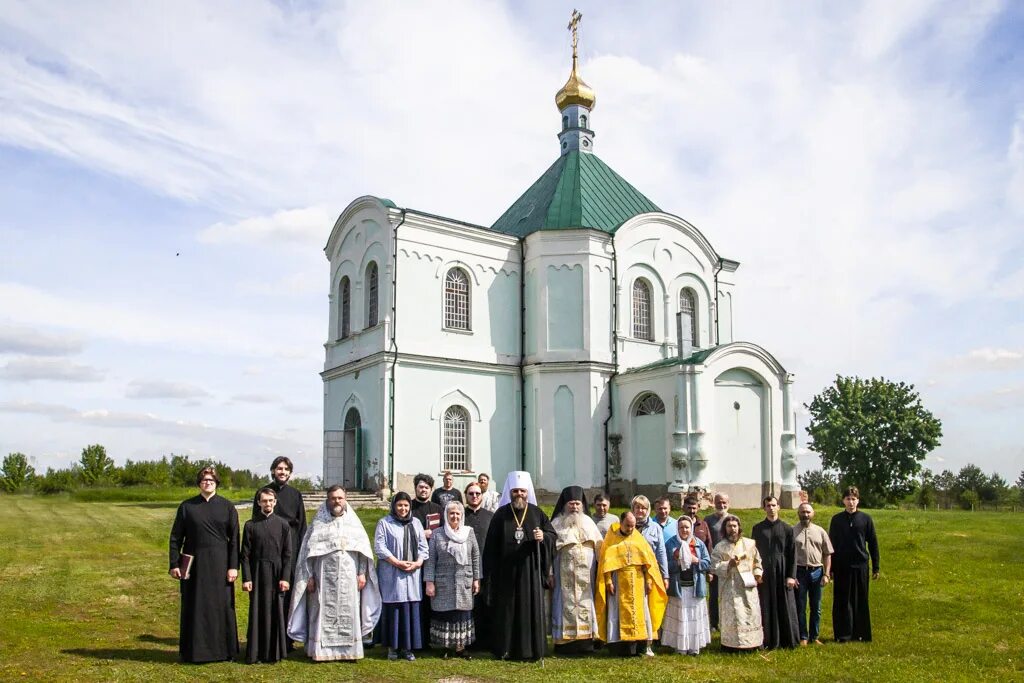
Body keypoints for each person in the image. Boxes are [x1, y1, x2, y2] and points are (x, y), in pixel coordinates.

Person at [288, 485, 381, 661]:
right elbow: (306, 553)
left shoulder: (354, 523)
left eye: (340, 498)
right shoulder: (318, 523)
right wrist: (308, 576)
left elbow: (362, 551)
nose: (336, 501)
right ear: (327, 500)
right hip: (323, 577)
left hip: (349, 576)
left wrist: (362, 573)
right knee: (322, 610)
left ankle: (349, 651)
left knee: (349, 610)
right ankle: (321, 652)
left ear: (345, 499)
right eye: (333, 498)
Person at [169, 466, 240, 663]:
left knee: (221, 606)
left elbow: (234, 539)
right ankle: (194, 652)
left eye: (211, 480)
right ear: (199, 483)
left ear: (216, 482)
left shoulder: (227, 507)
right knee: (195, 606)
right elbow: (176, 537)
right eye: (203, 480)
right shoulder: (187, 507)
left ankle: (224, 652)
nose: (207, 482)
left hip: (220, 563)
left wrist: (233, 566)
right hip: (194, 565)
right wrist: (174, 563)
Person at [482, 471, 556, 661]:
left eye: (522, 491)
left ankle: (531, 650)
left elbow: (552, 535)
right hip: (505, 572)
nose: (519, 495)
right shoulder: (501, 514)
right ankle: (505, 649)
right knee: (506, 610)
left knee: (529, 609)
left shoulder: (537, 513)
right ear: (510, 492)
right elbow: (490, 545)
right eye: (515, 491)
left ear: (527, 492)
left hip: (530, 573)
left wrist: (543, 538)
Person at [595, 511, 668, 657]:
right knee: (617, 612)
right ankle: (619, 647)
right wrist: (608, 580)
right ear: (620, 523)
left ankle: (640, 646)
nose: (630, 529)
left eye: (633, 526)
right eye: (627, 526)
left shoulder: (638, 538)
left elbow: (648, 562)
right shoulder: (612, 538)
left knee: (640, 614)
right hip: (618, 581)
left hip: (638, 581)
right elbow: (605, 562)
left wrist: (648, 580)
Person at [251, 456, 306, 632]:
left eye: (286, 469)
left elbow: (302, 524)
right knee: (268, 591)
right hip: (268, 546)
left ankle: (286, 637)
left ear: (290, 473)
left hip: (291, 545)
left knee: (287, 590)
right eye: (279, 468)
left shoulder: (295, 494)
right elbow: (256, 522)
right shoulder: (263, 492)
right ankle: (268, 633)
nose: (282, 472)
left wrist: (301, 550)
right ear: (273, 471)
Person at [375, 491, 429, 661]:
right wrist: (396, 562)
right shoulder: (385, 523)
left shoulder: (416, 523)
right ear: (394, 506)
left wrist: (418, 562)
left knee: (410, 610)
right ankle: (392, 647)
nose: (403, 508)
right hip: (393, 574)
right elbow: (380, 547)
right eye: (400, 505)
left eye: (406, 505)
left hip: (412, 573)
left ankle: (407, 648)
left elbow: (423, 546)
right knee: (394, 610)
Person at [241, 487, 293, 664]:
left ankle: (274, 653)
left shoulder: (283, 525)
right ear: (258, 503)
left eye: (270, 501)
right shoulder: (250, 525)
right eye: (264, 501)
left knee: (276, 611)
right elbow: (245, 555)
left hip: (277, 573)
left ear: (275, 502)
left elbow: (288, 554)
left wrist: (285, 578)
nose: (267, 504)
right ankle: (256, 652)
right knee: (257, 610)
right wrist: (247, 578)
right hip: (257, 573)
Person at [424, 501, 481, 659]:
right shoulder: (437, 534)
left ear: (462, 515)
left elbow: (475, 556)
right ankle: (445, 648)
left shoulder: (469, 532)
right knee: (445, 614)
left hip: (464, 581)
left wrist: (477, 579)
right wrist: (429, 582)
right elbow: (430, 560)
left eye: (457, 513)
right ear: (446, 515)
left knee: (462, 614)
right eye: (451, 513)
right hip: (443, 582)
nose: (454, 516)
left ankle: (460, 648)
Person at [550, 486, 603, 654]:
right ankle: (563, 643)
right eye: (571, 504)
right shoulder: (556, 523)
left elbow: (600, 547)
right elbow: (549, 551)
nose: (574, 507)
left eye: (577, 504)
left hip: (586, 577)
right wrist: (550, 573)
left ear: (582, 505)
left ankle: (586, 642)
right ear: (565, 505)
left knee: (586, 603)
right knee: (563, 603)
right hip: (563, 575)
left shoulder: (589, 522)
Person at [829, 486, 879, 643]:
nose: (851, 502)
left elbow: (873, 543)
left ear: (858, 500)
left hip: (860, 565)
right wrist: (830, 569)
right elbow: (832, 545)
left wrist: (876, 566)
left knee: (861, 599)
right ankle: (843, 634)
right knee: (842, 601)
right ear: (843, 500)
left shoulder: (865, 519)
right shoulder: (836, 520)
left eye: (853, 499)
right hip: (842, 566)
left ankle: (861, 633)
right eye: (848, 499)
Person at [752, 496, 800, 649]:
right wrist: (756, 573)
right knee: (765, 603)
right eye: (768, 505)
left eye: (773, 505)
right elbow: (753, 553)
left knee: (784, 604)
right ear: (764, 508)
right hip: (764, 572)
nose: (771, 508)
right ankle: (767, 640)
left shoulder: (787, 529)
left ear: (778, 507)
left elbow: (792, 554)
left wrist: (791, 576)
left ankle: (787, 640)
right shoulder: (758, 528)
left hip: (782, 571)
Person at [711, 514, 764, 651]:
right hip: (730, 586)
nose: (732, 529)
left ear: (739, 527)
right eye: (729, 526)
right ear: (725, 528)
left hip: (748, 586)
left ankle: (753, 644)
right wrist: (729, 564)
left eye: (734, 526)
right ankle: (731, 645)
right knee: (733, 613)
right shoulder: (720, 547)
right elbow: (714, 566)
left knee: (750, 612)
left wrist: (758, 574)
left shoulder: (749, 544)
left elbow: (757, 562)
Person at [661, 516, 712, 655]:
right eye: (681, 527)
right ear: (677, 529)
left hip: (695, 587)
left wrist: (696, 560)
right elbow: (665, 566)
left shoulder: (699, 544)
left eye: (687, 527)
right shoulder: (671, 544)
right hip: (679, 587)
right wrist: (677, 562)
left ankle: (694, 647)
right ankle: (680, 647)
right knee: (680, 617)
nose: (684, 530)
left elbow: (708, 563)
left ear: (691, 528)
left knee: (693, 616)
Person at [410, 473, 442, 646]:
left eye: (427, 487)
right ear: (415, 488)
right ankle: (417, 637)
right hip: (414, 558)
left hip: (434, 559)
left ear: (431, 489)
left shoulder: (437, 508)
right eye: (420, 487)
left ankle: (432, 638)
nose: (423, 490)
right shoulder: (410, 508)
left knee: (432, 597)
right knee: (417, 599)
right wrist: (422, 534)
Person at [794, 502, 833, 645]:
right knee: (801, 606)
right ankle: (803, 636)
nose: (805, 515)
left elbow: (827, 554)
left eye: (808, 512)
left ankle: (814, 636)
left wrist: (826, 574)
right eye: (803, 512)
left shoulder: (820, 531)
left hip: (817, 571)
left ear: (813, 514)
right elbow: (788, 556)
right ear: (798, 513)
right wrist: (792, 575)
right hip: (799, 572)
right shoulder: (792, 531)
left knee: (816, 607)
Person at [462, 481, 494, 650]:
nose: (474, 496)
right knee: (469, 605)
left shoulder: (490, 516)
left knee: (485, 604)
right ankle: (468, 641)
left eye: (477, 494)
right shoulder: (460, 516)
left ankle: (486, 641)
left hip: (487, 567)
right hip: (464, 568)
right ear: (465, 495)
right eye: (471, 494)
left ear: (482, 496)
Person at [703, 492, 730, 631]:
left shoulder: (733, 519)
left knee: (728, 593)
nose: (722, 505)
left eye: (724, 502)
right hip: (714, 562)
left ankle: (728, 621)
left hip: (729, 563)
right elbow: (707, 542)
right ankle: (713, 623)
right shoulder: (708, 520)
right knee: (713, 594)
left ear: (728, 503)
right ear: (714, 503)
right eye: (719, 502)